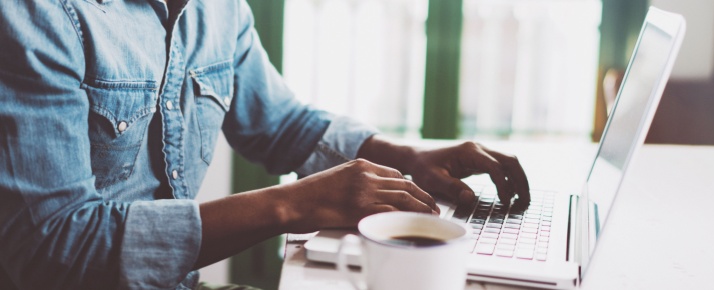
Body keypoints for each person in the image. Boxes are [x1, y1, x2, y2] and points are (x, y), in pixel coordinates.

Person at [0, 0, 529, 289]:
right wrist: (291, 205)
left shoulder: (221, 11)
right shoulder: (37, 14)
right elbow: (51, 249)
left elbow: (280, 124)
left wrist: (406, 158)